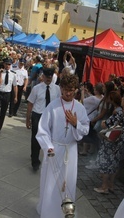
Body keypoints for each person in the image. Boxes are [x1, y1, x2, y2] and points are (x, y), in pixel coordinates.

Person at [35, 74, 89, 218]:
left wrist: (76, 123)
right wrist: (48, 146)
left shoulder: (79, 108)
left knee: (68, 181)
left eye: (71, 89)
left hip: (70, 150)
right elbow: (43, 130)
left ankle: (65, 211)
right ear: (61, 88)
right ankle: (48, 212)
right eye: (65, 89)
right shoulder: (53, 106)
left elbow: (86, 129)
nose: (68, 92)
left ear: (76, 90)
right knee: (51, 182)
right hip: (54, 149)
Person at [26, 67, 61, 171]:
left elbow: (59, 104)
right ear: (43, 76)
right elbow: (30, 104)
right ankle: (35, 161)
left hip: (51, 117)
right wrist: (28, 119)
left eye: (50, 77)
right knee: (36, 139)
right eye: (47, 77)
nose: (48, 79)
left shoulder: (57, 89)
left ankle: (48, 160)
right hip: (38, 115)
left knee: (49, 139)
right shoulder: (36, 88)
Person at [0, 58, 17, 137]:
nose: (8, 66)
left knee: (3, 112)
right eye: (6, 64)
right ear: (4, 64)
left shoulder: (13, 74)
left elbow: (15, 86)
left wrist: (15, 96)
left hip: (7, 94)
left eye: (9, 64)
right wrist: (1, 73)